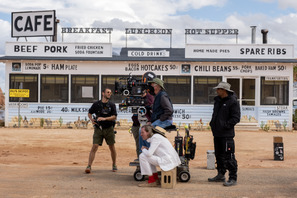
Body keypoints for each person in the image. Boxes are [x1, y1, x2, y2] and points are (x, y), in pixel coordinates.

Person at [208, 81, 241, 187]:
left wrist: (225, 125)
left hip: (227, 135)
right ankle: (221, 174)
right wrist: (213, 124)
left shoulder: (233, 101)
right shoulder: (217, 101)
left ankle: (232, 178)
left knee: (229, 156)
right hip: (217, 133)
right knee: (219, 155)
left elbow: (236, 118)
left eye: (219, 89)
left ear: (224, 90)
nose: (217, 91)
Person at [85, 88, 118, 173]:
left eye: (110, 93)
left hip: (109, 128)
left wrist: (104, 118)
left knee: (111, 146)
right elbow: (89, 113)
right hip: (98, 129)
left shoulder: (112, 105)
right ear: (103, 93)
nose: (109, 94)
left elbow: (114, 116)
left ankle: (114, 165)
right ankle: (89, 166)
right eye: (108, 92)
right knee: (95, 146)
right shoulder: (96, 104)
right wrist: (92, 120)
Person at [131, 89, 154, 159]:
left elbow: (152, 110)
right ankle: (139, 161)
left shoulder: (150, 97)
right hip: (136, 123)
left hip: (147, 124)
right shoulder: (133, 97)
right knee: (138, 145)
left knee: (147, 143)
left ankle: (148, 160)